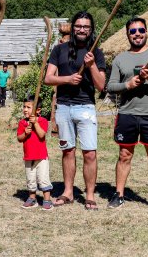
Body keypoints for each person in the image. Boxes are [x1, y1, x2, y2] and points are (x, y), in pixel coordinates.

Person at [105, 17, 148, 211]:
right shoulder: (120, 59)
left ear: (146, 32)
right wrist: (128, 85)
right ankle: (119, 194)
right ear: (127, 34)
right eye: (133, 31)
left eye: (140, 30)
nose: (137, 34)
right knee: (125, 155)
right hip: (127, 113)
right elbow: (110, 86)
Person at [44, 11, 106, 211]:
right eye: (78, 26)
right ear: (73, 27)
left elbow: (101, 85)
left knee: (89, 153)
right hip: (63, 107)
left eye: (86, 27)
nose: (82, 29)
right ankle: (68, 192)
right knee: (68, 151)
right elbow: (48, 78)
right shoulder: (59, 50)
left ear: (91, 29)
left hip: (85, 107)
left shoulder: (95, 52)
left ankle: (89, 195)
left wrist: (92, 66)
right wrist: (67, 79)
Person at [16, 95, 53, 210]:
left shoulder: (42, 121)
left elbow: (42, 135)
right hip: (28, 157)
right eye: (24, 107)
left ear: (38, 110)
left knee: (43, 178)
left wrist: (35, 123)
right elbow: (19, 138)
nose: (25, 109)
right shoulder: (22, 123)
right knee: (30, 179)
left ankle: (47, 200)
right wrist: (25, 133)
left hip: (41, 157)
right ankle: (32, 199)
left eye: (28, 107)